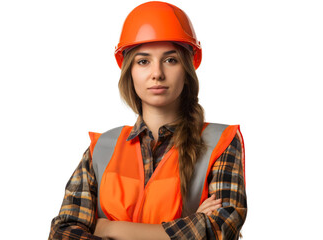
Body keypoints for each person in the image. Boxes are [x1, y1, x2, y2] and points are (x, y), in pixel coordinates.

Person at [49, 1, 246, 239]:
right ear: (129, 71)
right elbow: (63, 232)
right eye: (143, 61)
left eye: (170, 60)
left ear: (187, 68)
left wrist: (111, 228)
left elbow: (218, 230)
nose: (157, 73)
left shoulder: (221, 142)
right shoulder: (101, 149)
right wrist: (188, 225)